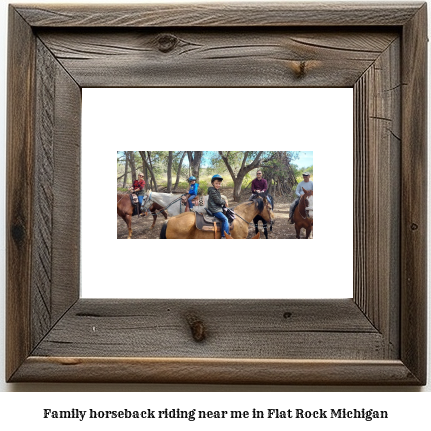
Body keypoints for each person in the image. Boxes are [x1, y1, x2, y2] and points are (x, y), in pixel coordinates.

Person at [208, 174, 229, 238]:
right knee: (225, 219)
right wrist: (225, 201)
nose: (218, 185)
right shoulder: (213, 191)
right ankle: (224, 236)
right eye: (216, 183)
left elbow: (218, 199)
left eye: (219, 184)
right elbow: (218, 201)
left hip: (217, 207)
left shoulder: (216, 190)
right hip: (215, 209)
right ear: (213, 183)